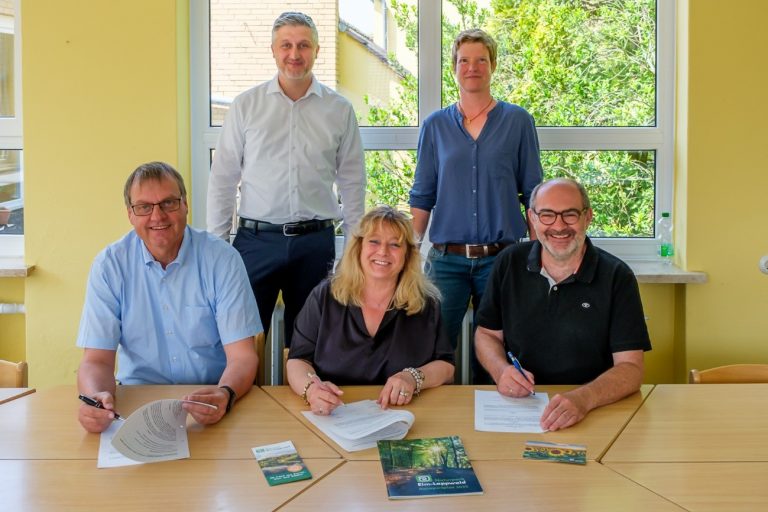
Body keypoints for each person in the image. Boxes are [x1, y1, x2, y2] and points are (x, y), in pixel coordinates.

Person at [207, 11, 365, 347]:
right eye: (286, 45)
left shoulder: (338, 110)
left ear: (317, 51)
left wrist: (354, 248)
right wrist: (218, 247)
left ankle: (304, 401)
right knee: (241, 340)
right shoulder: (246, 106)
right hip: (255, 242)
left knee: (311, 343)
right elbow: (223, 179)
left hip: (314, 243)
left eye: (303, 45)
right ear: (273, 50)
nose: (295, 54)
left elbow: (352, 182)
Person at [76, 162, 262, 433]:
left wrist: (225, 393)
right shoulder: (109, 266)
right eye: (144, 207)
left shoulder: (222, 259)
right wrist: (95, 399)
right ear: (130, 214)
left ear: (185, 205)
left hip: (212, 400)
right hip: (135, 407)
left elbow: (243, 358)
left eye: (168, 203)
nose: (157, 216)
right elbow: (96, 360)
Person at [409, 29, 542, 383]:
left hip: (501, 259)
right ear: (454, 68)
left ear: (493, 66)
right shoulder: (435, 126)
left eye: (481, 60)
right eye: (464, 60)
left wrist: (537, 254)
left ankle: (494, 427)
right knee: (434, 349)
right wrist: (408, 252)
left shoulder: (518, 121)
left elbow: (533, 194)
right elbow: (422, 195)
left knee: (498, 351)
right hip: (446, 259)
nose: (472, 67)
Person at [474, 178, 652, 431]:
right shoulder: (509, 262)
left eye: (569, 215)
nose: (558, 226)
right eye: (547, 215)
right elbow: (486, 334)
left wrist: (583, 398)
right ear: (532, 218)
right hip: (519, 407)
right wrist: (501, 370)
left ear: (587, 217)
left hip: (593, 409)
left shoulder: (617, 276)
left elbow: (631, 368)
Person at [286, 206, 455, 415]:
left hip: (406, 416)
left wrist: (412, 377)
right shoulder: (324, 296)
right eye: (374, 241)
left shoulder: (426, 303)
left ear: (407, 255)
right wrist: (312, 390)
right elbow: (297, 360)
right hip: (333, 414)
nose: (383, 252)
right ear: (358, 248)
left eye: (395, 244)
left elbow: (446, 367)